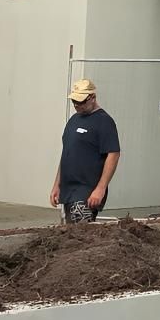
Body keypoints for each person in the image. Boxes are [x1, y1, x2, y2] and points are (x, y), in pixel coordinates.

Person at [50, 78, 121, 223]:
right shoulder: (73, 120)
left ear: (92, 98)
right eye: (74, 101)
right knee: (69, 236)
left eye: (81, 101)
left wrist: (100, 188)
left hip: (87, 192)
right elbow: (67, 154)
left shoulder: (104, 122)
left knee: (80, 234)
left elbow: (113, 155)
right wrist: (57, 184)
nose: (77, 105)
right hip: (68, 191)